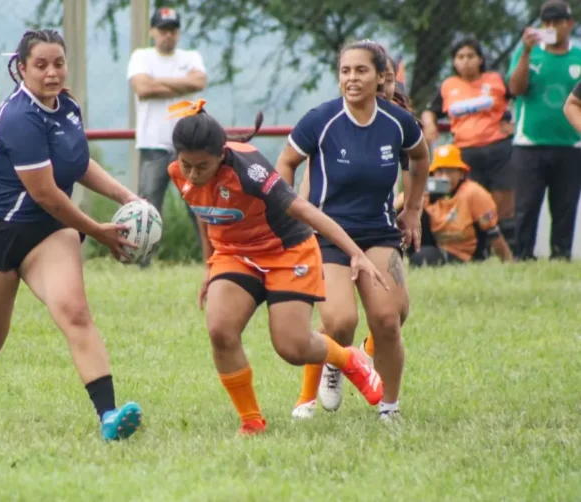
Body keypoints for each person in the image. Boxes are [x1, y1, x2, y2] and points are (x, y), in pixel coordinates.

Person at [0, 29, 144, 441]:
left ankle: (109, 417)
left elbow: (78, 163)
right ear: (21, 69)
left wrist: (126, 195)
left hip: (45, 232)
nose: (51, 73)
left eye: (58, 63)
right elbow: (47, 193)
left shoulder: (68, 105)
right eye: (40, 65)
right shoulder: (17, 117)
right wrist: (100, 232)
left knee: (75, 312)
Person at [166, 99, 386, 436]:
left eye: (202, 167)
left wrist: (355, 252)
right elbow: (204, 211)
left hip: (287, 250)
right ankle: (252, 421)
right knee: (220, 330)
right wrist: (210, 264)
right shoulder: (178, 174)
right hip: (235, 253)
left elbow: (305, 211)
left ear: (221, 155)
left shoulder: (249, 171)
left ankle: (348, 359)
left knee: (293, 348)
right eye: (186, 165)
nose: (193, 174)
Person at [276, 40, 431, 421]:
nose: (351, 78)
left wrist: (412, 211)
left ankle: (389, 410)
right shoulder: (322, 120)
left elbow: (421, 156)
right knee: (339, 322)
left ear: (381, 77)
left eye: (361, 70)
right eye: (345, 71)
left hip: (379, 233)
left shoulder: (397, 121)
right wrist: (290, 218)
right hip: (327, 234)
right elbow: (285, 162)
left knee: (389, 320)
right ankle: (335, 364)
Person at [127, 6, 207, 266]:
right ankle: (141, 262)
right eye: (162, 30)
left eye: (172, 30)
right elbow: (142, 87)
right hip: (153, 143)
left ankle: (212, 259)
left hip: (188, 145)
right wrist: (179, 82)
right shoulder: (141, 56)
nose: (167, 35)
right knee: (147, 208)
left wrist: (157, 83)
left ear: (179, 33)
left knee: (199, 206)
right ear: (152, 31)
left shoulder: (191, 56)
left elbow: (198, 82)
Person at [421, 38, 516, 246]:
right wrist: (430, 124)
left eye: (470, 56)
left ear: (480, 59)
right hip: (466, 151)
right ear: (454, 62)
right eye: (460, 57)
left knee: (503, 202)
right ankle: (479, 249)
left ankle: (509, 251)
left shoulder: (496, 79)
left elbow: (523, 98)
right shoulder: (448, 86)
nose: (466, 61)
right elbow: (430, 111)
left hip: (498, 147)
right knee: (472, 201)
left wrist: (515, 124)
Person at [508, 0, 581, 261]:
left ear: (569, 24)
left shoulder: (579, 57)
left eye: (557, 22)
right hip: (529, 143)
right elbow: (515, 89)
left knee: (565, 207)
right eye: (546, 23)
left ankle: (561, 256)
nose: (551, 27)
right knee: (526, 207)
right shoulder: (529, 52)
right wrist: (526, 53)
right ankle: (523, 257)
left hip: (571, 144)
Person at [397, 144, 514, 266]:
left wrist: (508, 261)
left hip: (465, 254)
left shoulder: (473, 193)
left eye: (450, 171)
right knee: (409, 212)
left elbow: (492, 232)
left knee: (422, 258)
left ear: (461, 173)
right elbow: (394, 208)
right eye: (440, 171)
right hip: (436, 246)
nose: (445, 177)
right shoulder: (427, 193)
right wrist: (415, 194)